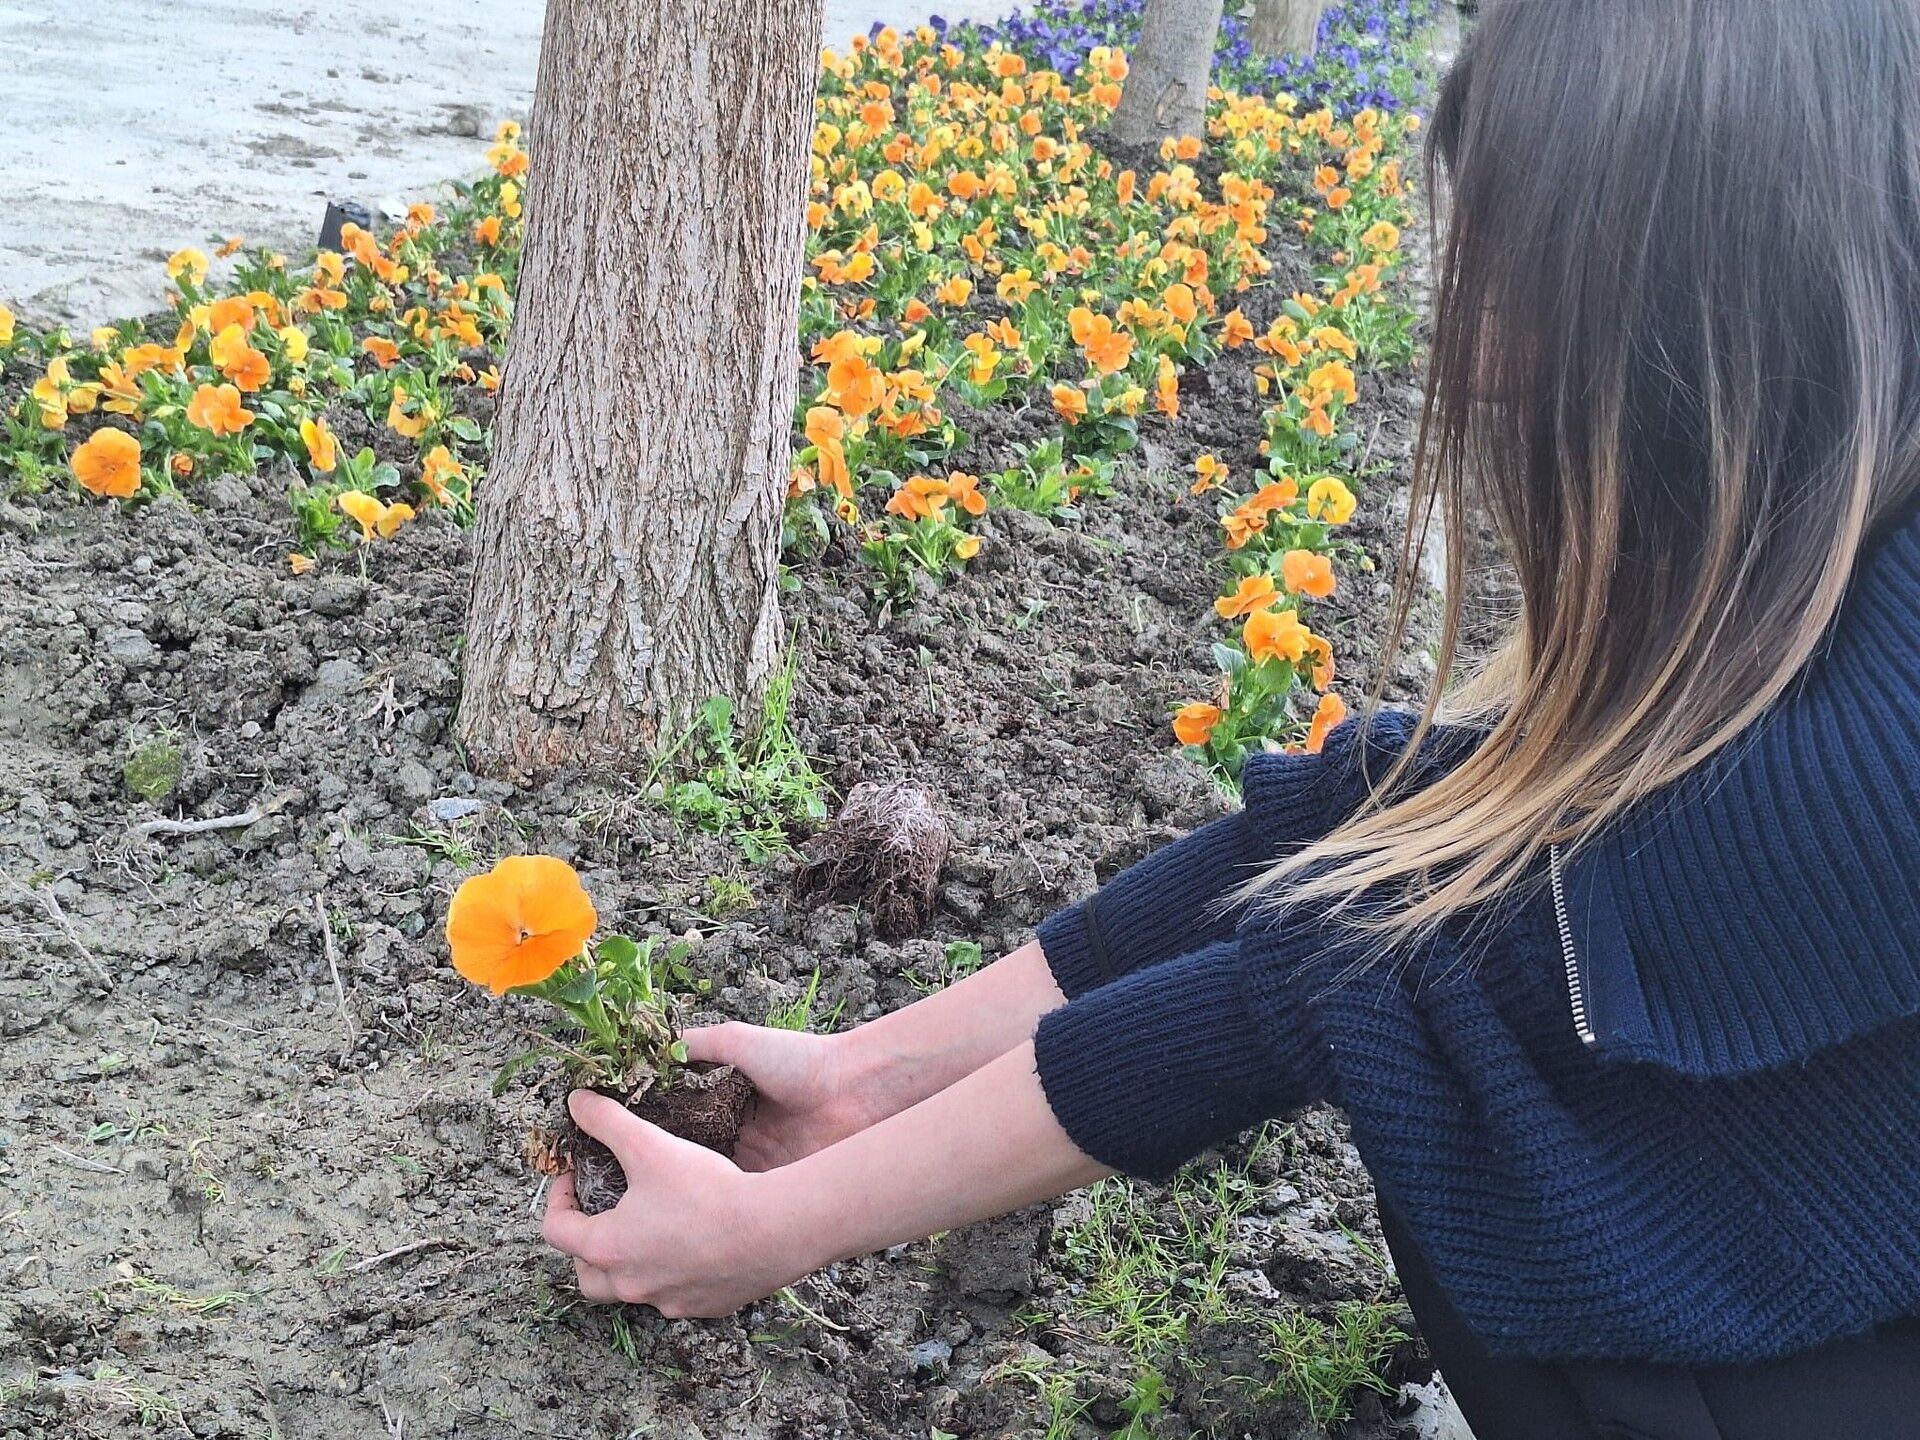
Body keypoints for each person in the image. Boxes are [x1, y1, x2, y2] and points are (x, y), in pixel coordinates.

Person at [540, 1, 1920, 1434]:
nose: (1477, 357)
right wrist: (851, 1083)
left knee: (1438, 1009)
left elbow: (1348, 967)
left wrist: (775, 1230)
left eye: (1517, 272)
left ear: (1707, 285)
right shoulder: (1849, 517)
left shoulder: (1889, 748)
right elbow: (1378, 821)